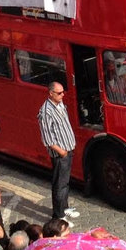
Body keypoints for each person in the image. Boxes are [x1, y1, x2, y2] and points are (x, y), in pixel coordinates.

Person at [38, 82, 78, 222]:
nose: (63, 95)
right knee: (59, 185)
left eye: (63, 92)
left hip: (68, 149)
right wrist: (62, 152)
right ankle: (58, 215)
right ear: (51, 94)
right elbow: (47, 138)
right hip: (61, 154)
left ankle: (65, 208)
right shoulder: (46, 112)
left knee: (65, 182)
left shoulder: (60, 104)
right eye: (59, 93)